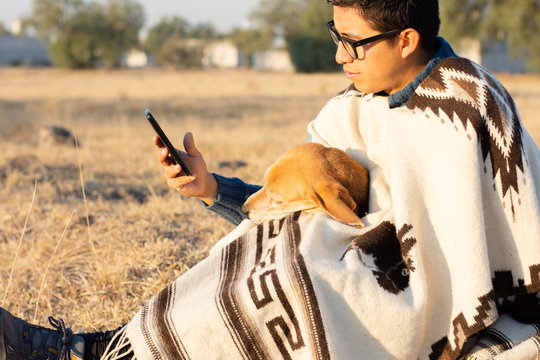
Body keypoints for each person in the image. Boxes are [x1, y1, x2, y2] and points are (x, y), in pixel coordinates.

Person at [2, 0, 539, 359]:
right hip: (347, 262)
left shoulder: (469, 104)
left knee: (296, 273)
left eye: (353, 42)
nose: (339, 55)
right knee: (262, 251)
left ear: (406, 40)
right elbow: (299, 202)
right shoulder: (354, 107)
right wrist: (213, 190)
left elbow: (501, 234)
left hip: (428, 304)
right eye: (336, 35)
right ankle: (97, 349)